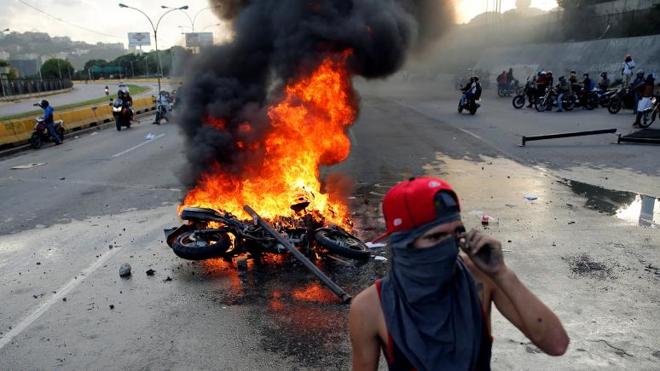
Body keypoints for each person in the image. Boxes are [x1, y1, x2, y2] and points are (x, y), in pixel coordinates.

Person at [349, 177, 570, 370]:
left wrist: (502, 273)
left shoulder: (480, 277)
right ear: (402, 243)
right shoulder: (371, 306)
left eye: (456, 233)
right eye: (435, 238)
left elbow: (556, 344)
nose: (448, 246)